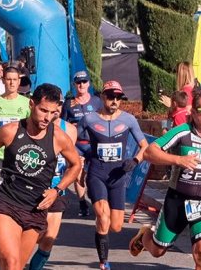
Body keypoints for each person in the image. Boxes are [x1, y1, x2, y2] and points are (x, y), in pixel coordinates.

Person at [0, 83, 82, 270]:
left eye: (52, 113)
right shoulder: (11, 131)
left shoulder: (58, 137)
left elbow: (76, 165)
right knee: (10, 263)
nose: (47, 117)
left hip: (36, 207)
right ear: (31, 104)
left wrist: (57, 190)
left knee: (15, 266)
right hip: (7, 202)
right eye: (43, 110)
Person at [129, 89, 201, 270]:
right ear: (193, 113)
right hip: (178, 202)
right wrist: (178, 160)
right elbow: (149, 152)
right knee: (157, 251)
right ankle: (145, 236)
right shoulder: (182, 133)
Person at [78, 80, 149, 270]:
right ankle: (103, 261)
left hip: (118, 175)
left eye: (118, 97)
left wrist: (134, 162)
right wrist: (83, 157)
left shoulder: (128, 120)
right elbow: (73, 140)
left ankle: (140, 233)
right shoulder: (89, 119)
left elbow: (144, 146)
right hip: (97, 172)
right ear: (103, 97)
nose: (114, 101)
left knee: (116, 226)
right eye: (110, 97)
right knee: (102, 215)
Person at [27, 114, 80, 270]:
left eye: (58, 104)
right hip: (32, 189)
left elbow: (72, 159)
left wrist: (78, 165)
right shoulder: (32, 127)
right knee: (30, 235)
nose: (54, 110)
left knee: (49, 237)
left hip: (57, 188)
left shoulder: (69, 129)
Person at [63, 70, 101, 216]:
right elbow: (62, 123)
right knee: (77, 173)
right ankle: (82, 203)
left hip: (93, 144)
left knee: (93, 174)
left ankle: (96, 199)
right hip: (76, 144)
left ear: (88, 83)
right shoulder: (69, 104)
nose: (81, 85)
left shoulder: (97, 102)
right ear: (74, 85)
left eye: (84, 82)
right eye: (78, 83)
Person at [0, 66, 30, 181]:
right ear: (3, 81)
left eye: (14, 79)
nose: (11, 83)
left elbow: (32, 126)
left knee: (15, 189)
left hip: (19, 153)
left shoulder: (27, 103)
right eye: (8, 79)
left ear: (19, 81)